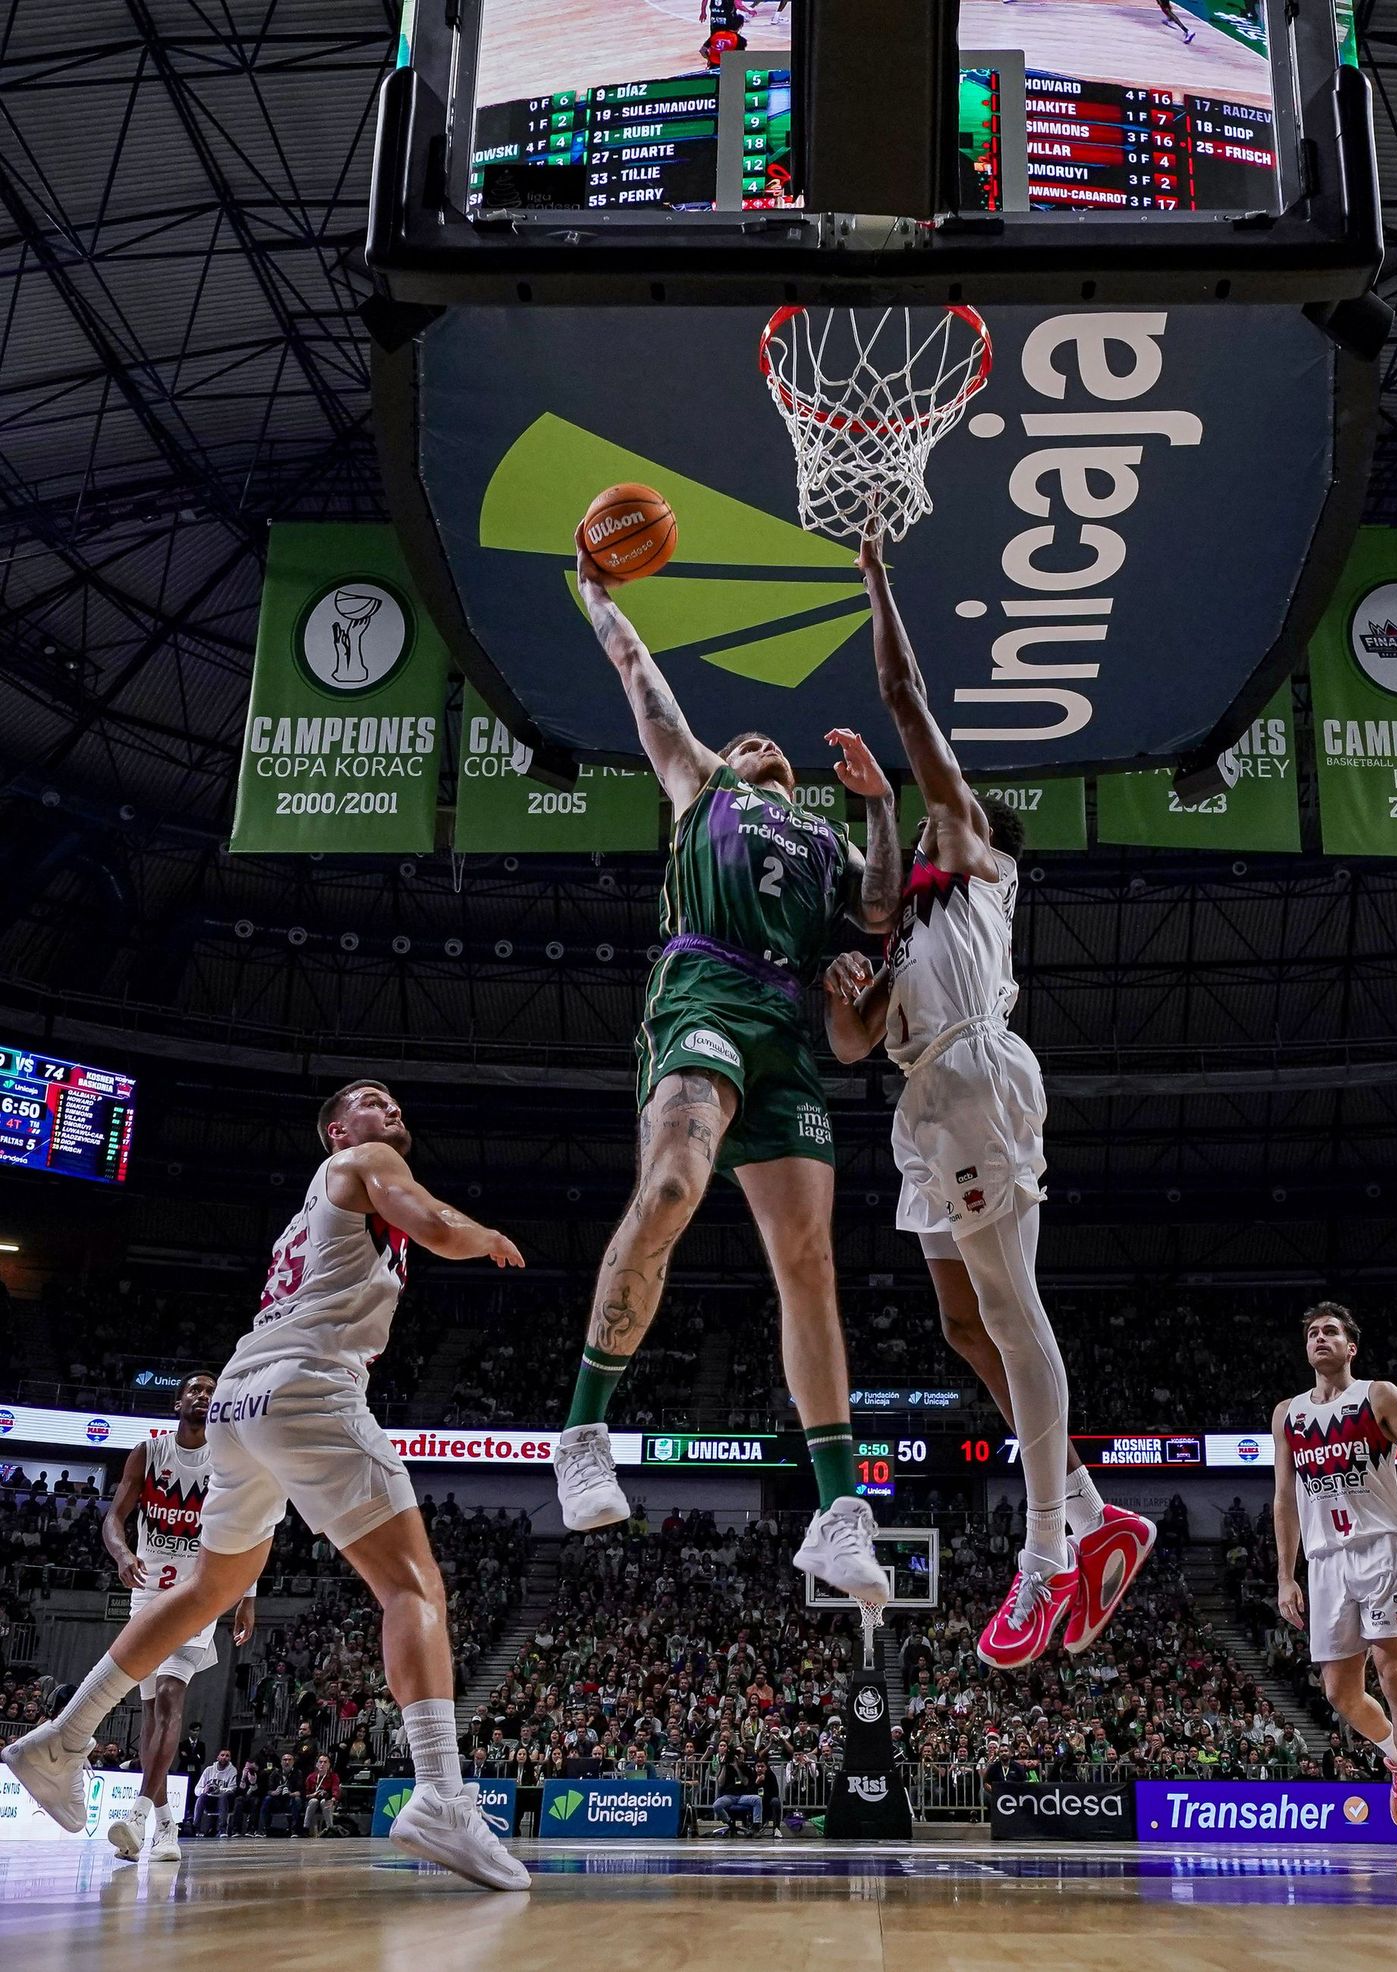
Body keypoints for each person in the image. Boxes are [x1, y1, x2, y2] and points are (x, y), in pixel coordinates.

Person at [2, 1081, 531, 1892]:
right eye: (367, 1099)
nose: (388, 1109)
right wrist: (480, 1233)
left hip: (239, 1400)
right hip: (306, 1385)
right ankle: (440, 1797)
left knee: (208, 1591)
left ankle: (61, 1741)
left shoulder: (304, 1215)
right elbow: (431, 1222)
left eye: (392, 1102)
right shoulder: (366, 1160)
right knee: (413, 1586)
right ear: (334, 1130)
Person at [821, 532, 1155, 1667]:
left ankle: (1048, 1553)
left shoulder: (977, 868)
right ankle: (1099, 1508)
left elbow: (906, 701)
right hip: (926, 1107)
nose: (921, 821)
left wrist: (874, 578)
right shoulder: (910, 921)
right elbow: (854, 1030)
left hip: (976, 1080)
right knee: (966, 1326)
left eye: (928, 816)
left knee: (1012, 1319)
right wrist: (849, 992)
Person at [551, 529, 900, 1607]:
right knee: (668, 1186)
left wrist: (884, 804)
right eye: (743, 737)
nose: (757, 741)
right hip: (701, 991)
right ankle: (580, 1431)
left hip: (786, 1026)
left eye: (768, 743)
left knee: (809, 1265)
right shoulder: (700, 787)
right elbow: (639, 680)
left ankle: (839, 1515)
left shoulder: (832, 841)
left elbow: (883, 908)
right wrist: (595, 590)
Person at [1273, 1302, 1397, 1876]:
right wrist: (1286, 1575)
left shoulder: (1378, 1395)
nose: (1320, 1339)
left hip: (1382, 1549)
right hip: (1326, 1561)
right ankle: (1395, 1758)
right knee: (1339, 1694)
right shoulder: (1288, 1415)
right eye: (1312, 1333)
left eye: (1331, 1331)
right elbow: (1284, 1499)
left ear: (1351, 1346)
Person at [99, 1369, 257, 1862]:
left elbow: (248, 1529)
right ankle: (167, 1829)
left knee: (170, 1695)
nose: (203, 1395)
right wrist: (123, 1555)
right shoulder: (149, 1453)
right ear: (177, 1403)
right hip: (148, 1594)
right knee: (149, 1718)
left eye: (211, 1391)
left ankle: (140, 1812)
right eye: (194, 1389)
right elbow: (113, 1518)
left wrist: (247, 1596)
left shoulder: (228, 1460)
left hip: (198, 1595)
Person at [192, 1746, 237, 1837]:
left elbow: (233, 1788)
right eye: (222, 1755)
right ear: (217, 1757)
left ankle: (222, 1829)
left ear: (230, 1758)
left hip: (226, 1801)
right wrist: (204, 1790)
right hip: (211, 1801)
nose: (224, 1757)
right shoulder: (209, 1770)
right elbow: (196, 1790)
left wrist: (219, 1790)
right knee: (202, 1796)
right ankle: (195, 1828)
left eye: (227, 1755)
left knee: (223, 1796)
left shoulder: (233, 1770)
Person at [259, 1752, 302, 1836]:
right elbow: (268, 1790)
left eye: (289, 1760)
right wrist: (274, 1792)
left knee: (297, 1799)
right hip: (277, 1801)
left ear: (293, 1762)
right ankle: (263, 1829)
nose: (287, 1762)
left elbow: (300, 1792)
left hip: (290, 1801)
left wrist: (290, 1793)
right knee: (267, 1798)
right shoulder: (275, 1773)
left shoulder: (298, 1773)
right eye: (285, 1760)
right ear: (281, 1762)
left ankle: (294, 1830)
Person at [302, 1752, 342, 1836]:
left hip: (328, 1800)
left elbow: (336, 1789)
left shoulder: (333, 1776)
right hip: (313, 1799)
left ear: (329, 1764)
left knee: (324, 1802)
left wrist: (333, 1799)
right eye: (320, 1762)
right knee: (313, 1801)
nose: (322, 1764)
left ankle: (330, 1828)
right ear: (316, 1764)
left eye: (325, 1762)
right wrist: (312, 1795)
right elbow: (305, 1793)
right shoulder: (311, 1777)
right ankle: (305, 1828)